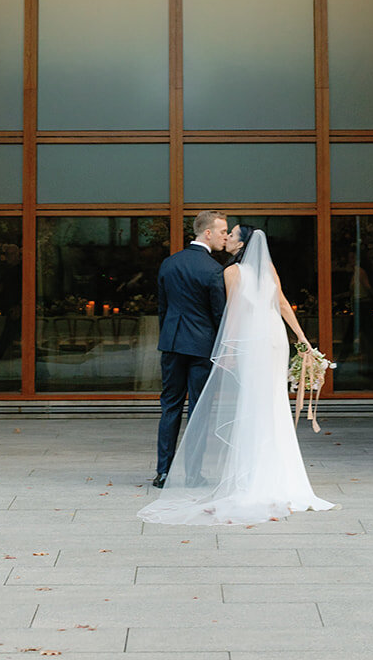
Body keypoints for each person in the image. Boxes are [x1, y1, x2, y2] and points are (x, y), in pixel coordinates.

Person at [139, 225, 334, 525]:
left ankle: (235, 476)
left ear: (242, 243)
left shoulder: (227, 272)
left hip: (247, 342)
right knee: (273, 405)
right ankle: (282, 477)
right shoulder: (267, 267)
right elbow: (282, 304)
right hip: (275, 339)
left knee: (247, 406)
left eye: (231, 234)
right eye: (224, 232)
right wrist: (303, 340)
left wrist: (227, 349)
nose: (226, 237)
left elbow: (232, 314)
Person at [150, 209, 229, 488]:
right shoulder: (213, 270)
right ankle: (193, 475)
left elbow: (163, 308)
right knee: (198, 410)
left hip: (172, 343)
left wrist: (169, 335)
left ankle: (163, 473)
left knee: (170, 406)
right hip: (201, 347)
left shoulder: (169, 263)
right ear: (207, 232)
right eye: (222, 232)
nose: (225, 237)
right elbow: (219, 315)